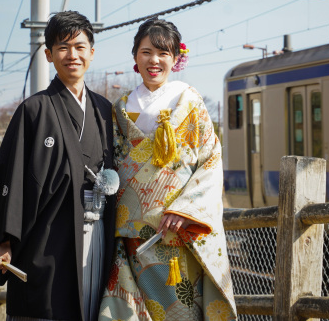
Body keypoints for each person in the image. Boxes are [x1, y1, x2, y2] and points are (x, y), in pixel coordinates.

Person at [0, 11, 116, 321]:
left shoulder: (104, 110)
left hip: (97, 235)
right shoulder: (33, 110)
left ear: (92, 53)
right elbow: (11, 179)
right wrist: (4, 240)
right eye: (63, 47)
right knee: (45, 308)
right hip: (46, 240)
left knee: (93, 309)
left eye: (80, 47)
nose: (72, 55)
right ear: (48, 55)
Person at [99, 19, 237, 321]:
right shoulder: (121, 107)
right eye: (146, 52)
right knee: (133, 308)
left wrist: (185, 209)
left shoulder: (190, 102)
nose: (154, 60)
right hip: (131, 231)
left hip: (176, 228)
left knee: (179, 309)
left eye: (163, 53)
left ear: (176, 58)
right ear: (135, 56)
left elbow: (210, 160)